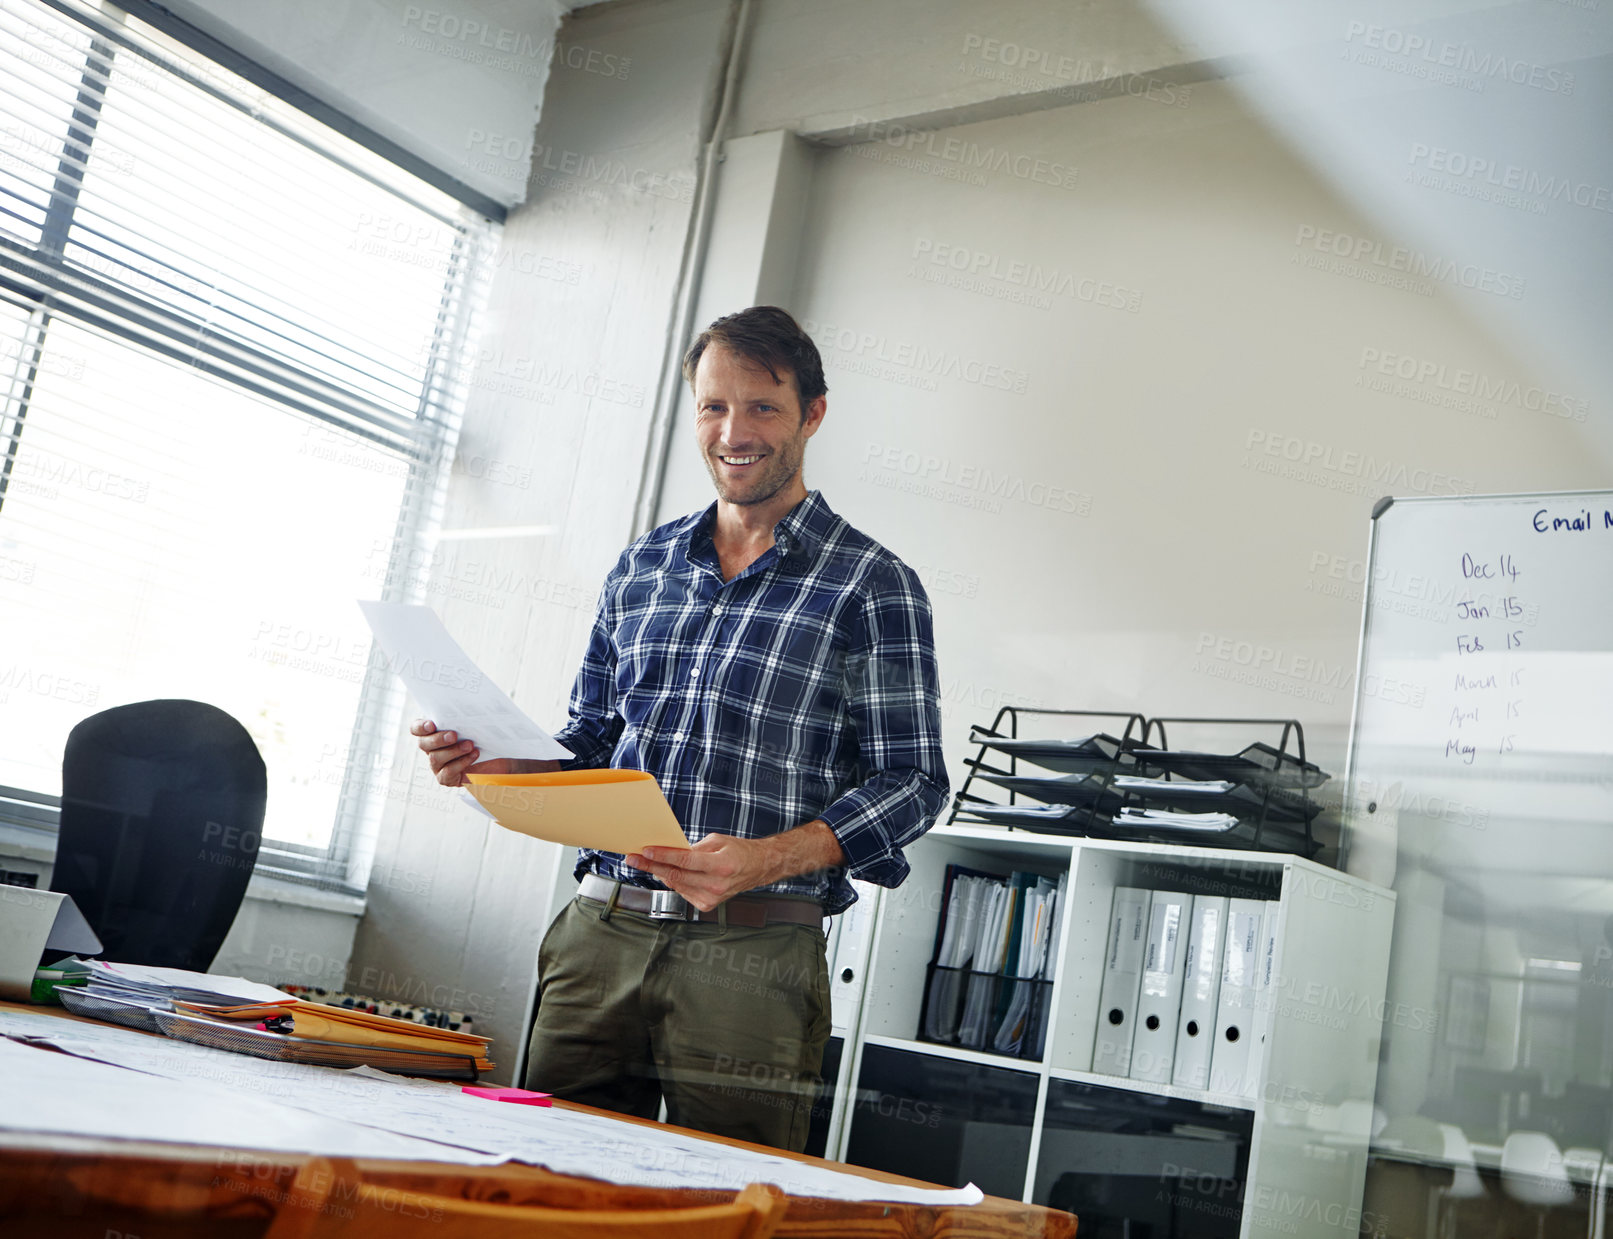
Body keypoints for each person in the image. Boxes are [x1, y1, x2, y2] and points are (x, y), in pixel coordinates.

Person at [413, 305, 948, 1152]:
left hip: (754, 952)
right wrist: (501, 763)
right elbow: (593, 739)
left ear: (812, 413)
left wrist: (767, 857)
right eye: (712, 406)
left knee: (725, 1199)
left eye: (762, 406)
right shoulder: (641, 567)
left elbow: (913, 782)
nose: (733, 431)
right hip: (600, 932)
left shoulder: (872, 585)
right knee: (545, 1186)